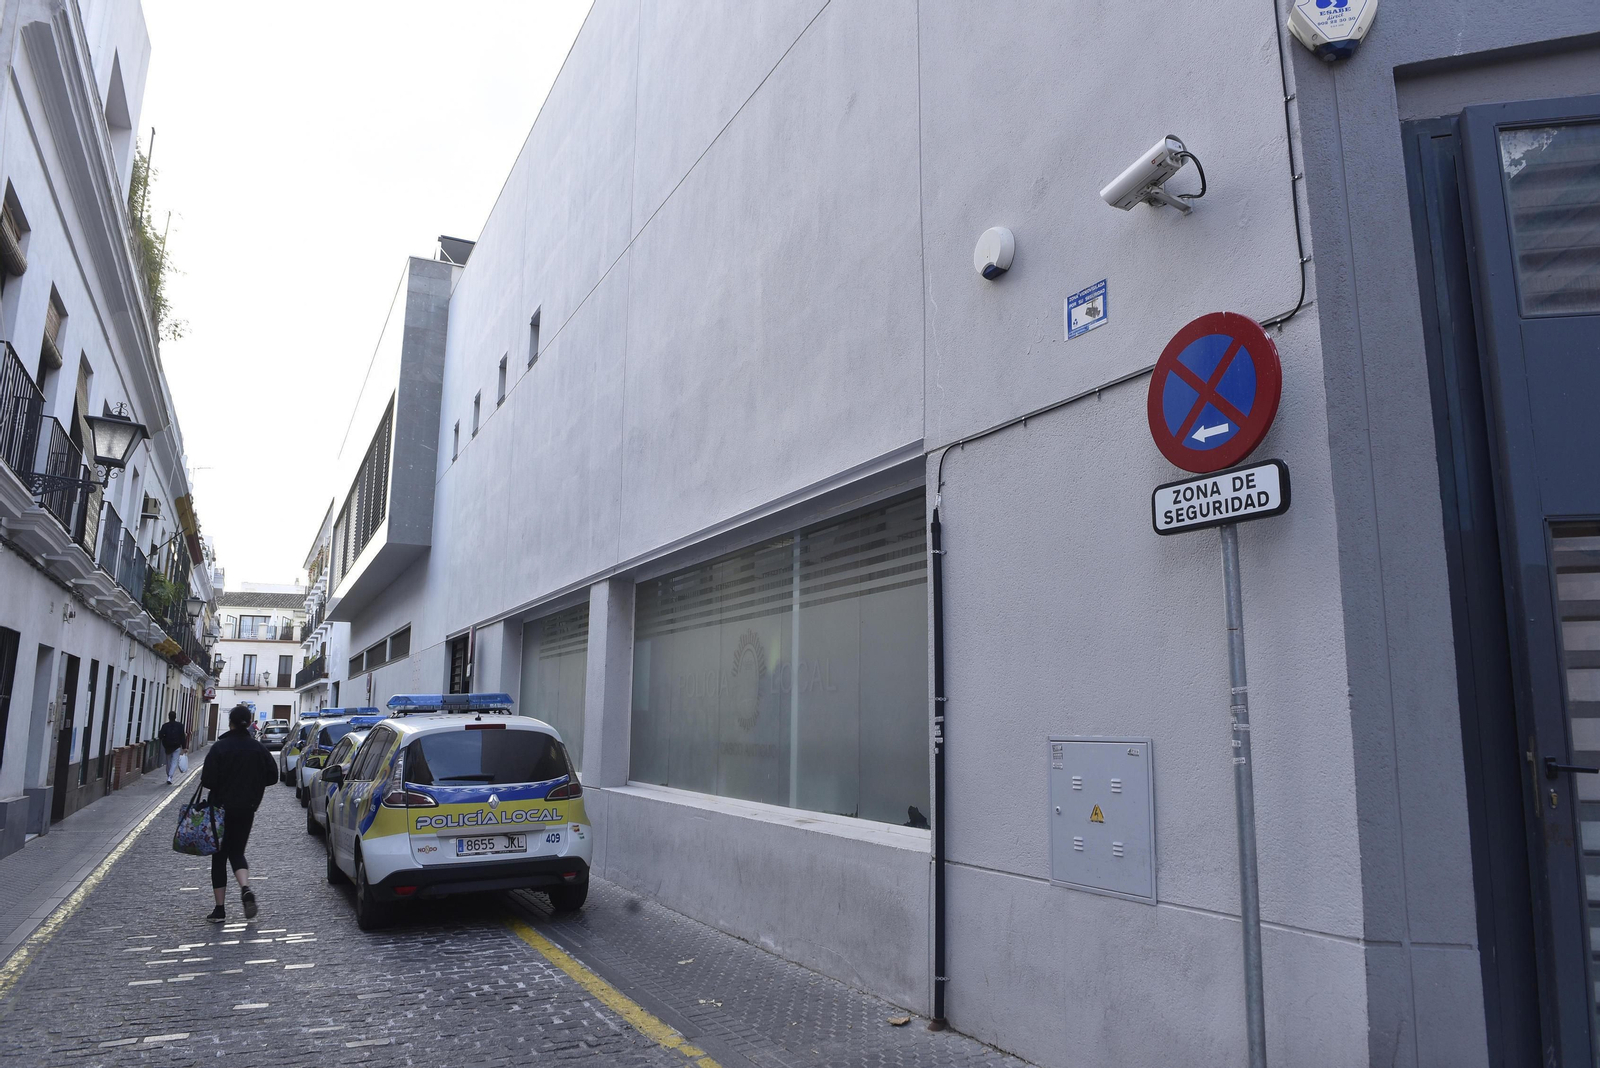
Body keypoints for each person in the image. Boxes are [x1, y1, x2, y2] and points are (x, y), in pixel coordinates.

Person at [200, 704, 278, 921]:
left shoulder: (220, 748)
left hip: (220, 809)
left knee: (219, 857)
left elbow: (207, 780)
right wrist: (253, 785)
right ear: (248, 722)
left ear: (230, 723)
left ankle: (219, 910)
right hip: (247, 809)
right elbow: (273, 776)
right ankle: (245, 887)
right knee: (237, 852)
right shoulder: (258, 748)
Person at [158, 712, 188, 785]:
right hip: (176, 746)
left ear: (169, 717)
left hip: (167, 747)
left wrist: (164, 740)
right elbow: (182, 737)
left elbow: (160, 736)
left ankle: (169, 775)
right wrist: (184, 747)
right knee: (174, 762)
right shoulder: (180, 726)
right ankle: (170, 777)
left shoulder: (165, 726)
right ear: (175, 717)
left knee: (168, 762)